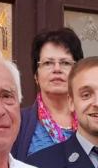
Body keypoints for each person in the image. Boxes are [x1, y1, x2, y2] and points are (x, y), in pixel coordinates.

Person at [12, 27, 84, 158]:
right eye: (48, 63)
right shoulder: (17, 123)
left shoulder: (93, 117)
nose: (57, 69)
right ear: (36, 75)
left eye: (65, 63)